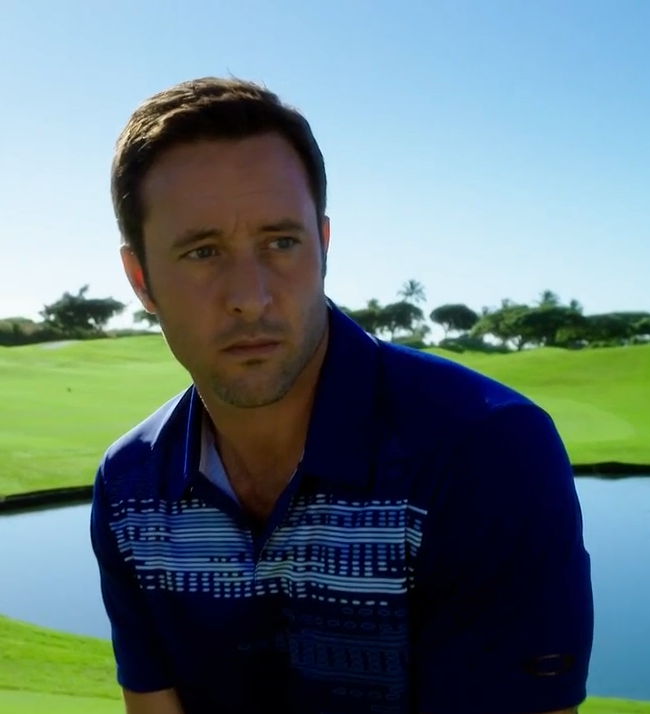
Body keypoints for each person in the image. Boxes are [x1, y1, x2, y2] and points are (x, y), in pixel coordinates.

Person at [90, 77, 593, 714]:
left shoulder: (486, 451)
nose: (250, 296)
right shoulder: (130, 484)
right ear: (141, 279)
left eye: (281, 243)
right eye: (202, 251)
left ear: (323, 246)